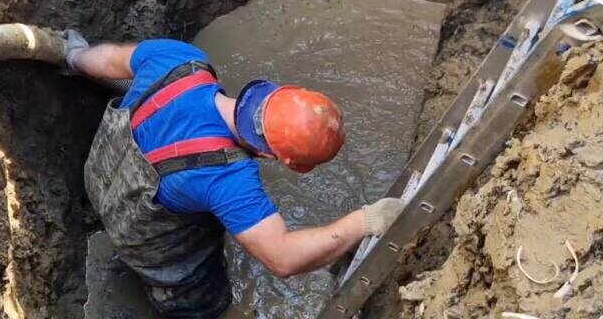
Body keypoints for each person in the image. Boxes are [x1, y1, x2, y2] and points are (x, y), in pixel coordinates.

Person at [67, 31, 404, 318]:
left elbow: (109, 60)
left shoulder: (180, 60)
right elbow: (282, 258)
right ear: (280, 158)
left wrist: (73, 55)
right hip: (141, 238)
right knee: (199, 299)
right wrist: (361, 223)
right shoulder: (228, 177)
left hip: (97, 177)